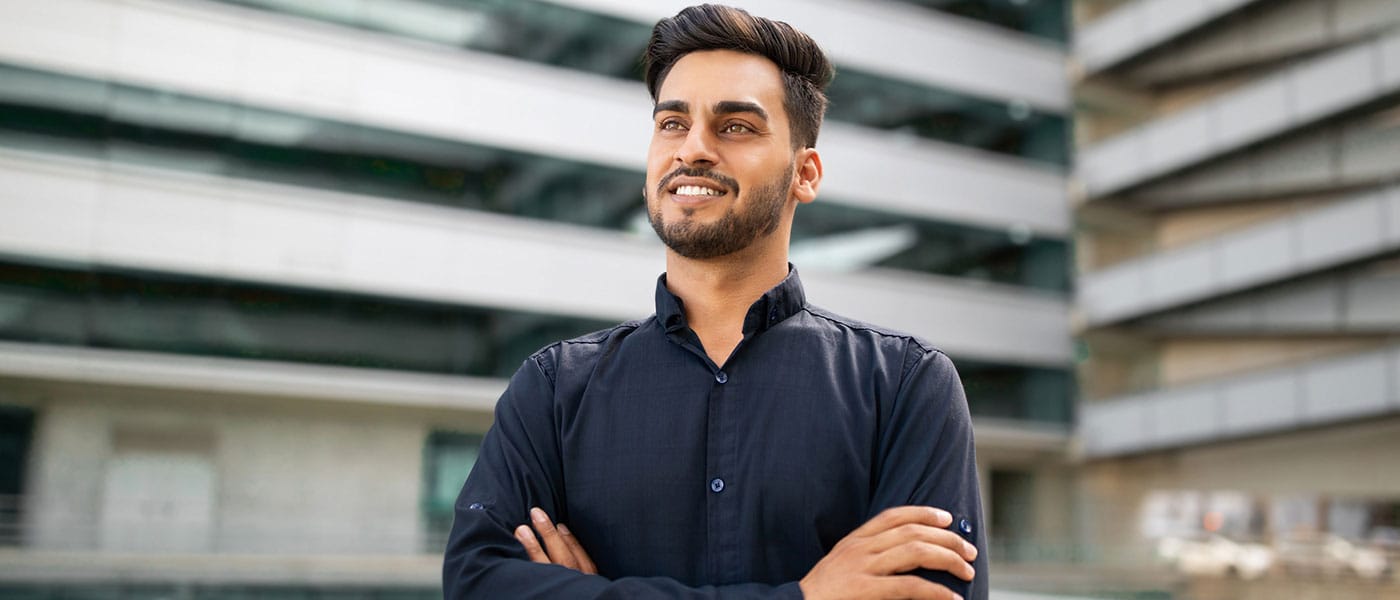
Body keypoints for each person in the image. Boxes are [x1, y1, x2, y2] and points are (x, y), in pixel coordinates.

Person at [443, 5, 987, 599]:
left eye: (735, 127)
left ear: (805, 173)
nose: (692, 149)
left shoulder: (906, 388)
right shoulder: (551, 391)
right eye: (672, 123)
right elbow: (477, 586)